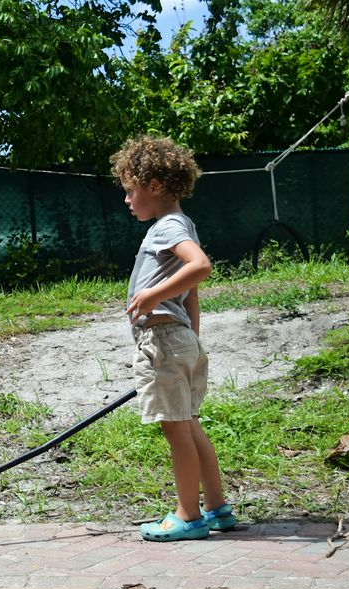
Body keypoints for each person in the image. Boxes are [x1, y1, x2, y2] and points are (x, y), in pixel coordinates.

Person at [109, 135, 236, 542]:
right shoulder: (182, 225)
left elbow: (200, 269)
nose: (127, 200)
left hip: (162, 339)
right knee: (191, 426)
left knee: (176, 430)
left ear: (155, 186)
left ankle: (187, 515)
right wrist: (192, 341)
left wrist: (151, 295)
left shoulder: (168, 227)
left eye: (130, 191)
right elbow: (192, 293)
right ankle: (216, 507)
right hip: (180, 339)